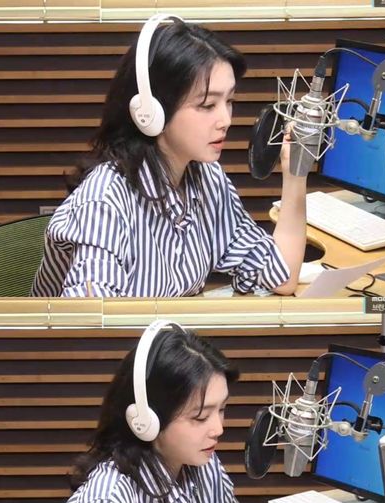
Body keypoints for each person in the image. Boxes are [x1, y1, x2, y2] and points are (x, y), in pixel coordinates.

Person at [31, 14, 306, 299]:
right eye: (207, 105)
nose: (225, 120)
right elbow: (94, 320)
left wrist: (295, 173)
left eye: (229, 101)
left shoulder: (208, 180)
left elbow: (282, 276)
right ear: (150, 112)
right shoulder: (105, 201)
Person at [37, 322, 305, 503]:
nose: (218, 429)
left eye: (222, 409)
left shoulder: (204, 468)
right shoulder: (109, 500)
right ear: (146, 421)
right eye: (200, 417)